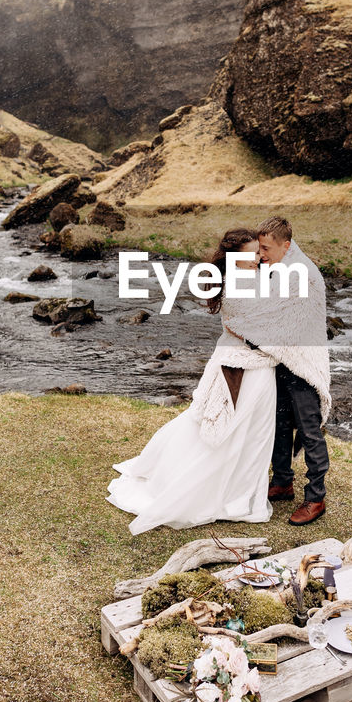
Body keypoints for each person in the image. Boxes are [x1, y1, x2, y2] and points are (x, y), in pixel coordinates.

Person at [105, 228, 277, 535]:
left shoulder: (252, 279)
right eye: (252, 254)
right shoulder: (238, 287)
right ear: (236, 258)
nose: (258, 258)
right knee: (232, 433)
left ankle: (241, 490)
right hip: (244, 369)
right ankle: (225, 493)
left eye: (259, 253)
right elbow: (258, 335)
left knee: (253, 435)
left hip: (256, 367)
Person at [223, 216, 331, 526]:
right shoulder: (278, 265)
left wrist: (243, 329)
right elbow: (267, 311)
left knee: (309, 431)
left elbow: (288, 323)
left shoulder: (303, 275)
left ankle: (315, 498)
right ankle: (283, 481)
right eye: (259, 249)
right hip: (280, 360)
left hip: (303, 363)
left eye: (266, 249)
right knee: (279, 424)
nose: (261, 255)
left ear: (286, 245)